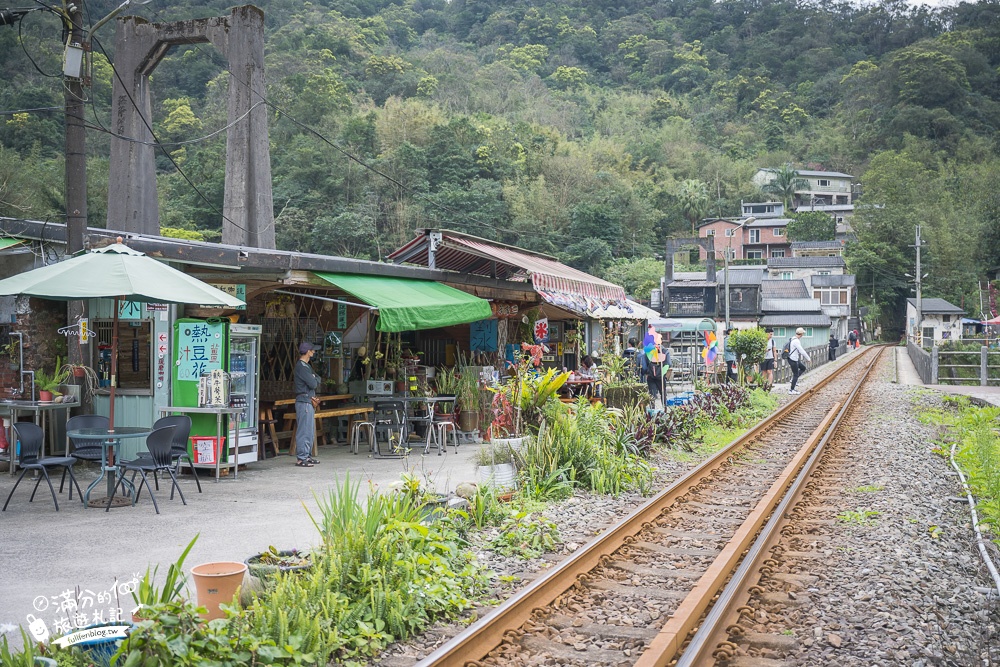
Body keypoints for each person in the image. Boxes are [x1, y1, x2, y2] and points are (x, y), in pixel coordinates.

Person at [293, 341, 321, 467]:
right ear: (308, 352)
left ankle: (307, 455)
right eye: (312, 350)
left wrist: (314, 377)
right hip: (304, 402)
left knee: (309, 430)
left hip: (308, 402)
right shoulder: (301, 367)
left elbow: (318, 378)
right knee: (304, 430)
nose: (314, 352)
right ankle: (301, 457)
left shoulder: (306, 366)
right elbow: (314, 383)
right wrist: (314, 377)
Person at [788, 327, 809, 395]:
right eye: (803, 333)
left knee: (803, 368)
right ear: (801, 334)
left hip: (794, 358)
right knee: (796, 374)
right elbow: (801, 351)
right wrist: (808, 358)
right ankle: (791, 390)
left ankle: (793, 380)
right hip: (793, 359)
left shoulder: (793, 338)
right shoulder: (796, 341)